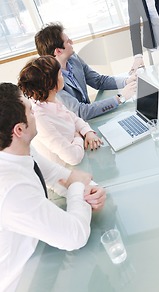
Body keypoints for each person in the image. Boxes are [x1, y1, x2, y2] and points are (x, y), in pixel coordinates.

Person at [0, 82, 106, 292]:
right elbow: (75, 236)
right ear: (19, 130)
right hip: (27, 281)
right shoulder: (10, 189)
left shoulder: (20, 152)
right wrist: (79, 186)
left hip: (43, 252)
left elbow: (60, 176)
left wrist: (91, 189)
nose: (34, 109)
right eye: (29, 108)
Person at [35, 23, 136, 121]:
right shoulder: (51, 81)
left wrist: (127, 81)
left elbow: (98, 81)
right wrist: (120, 98)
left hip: (89, 120)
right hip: (75, 129)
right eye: (68, 41)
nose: (72, 42)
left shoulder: (73, 59)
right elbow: (80, 112)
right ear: (58, 51)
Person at [18, 55, 103, 166]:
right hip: (67, 172)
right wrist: (77, 136)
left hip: (82, 158)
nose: (63, 76)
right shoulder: (40, 118)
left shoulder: (51, 100)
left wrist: (88, 132)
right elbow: (73, 158)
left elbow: (75, 119)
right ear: (52, 84)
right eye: (60, 74)